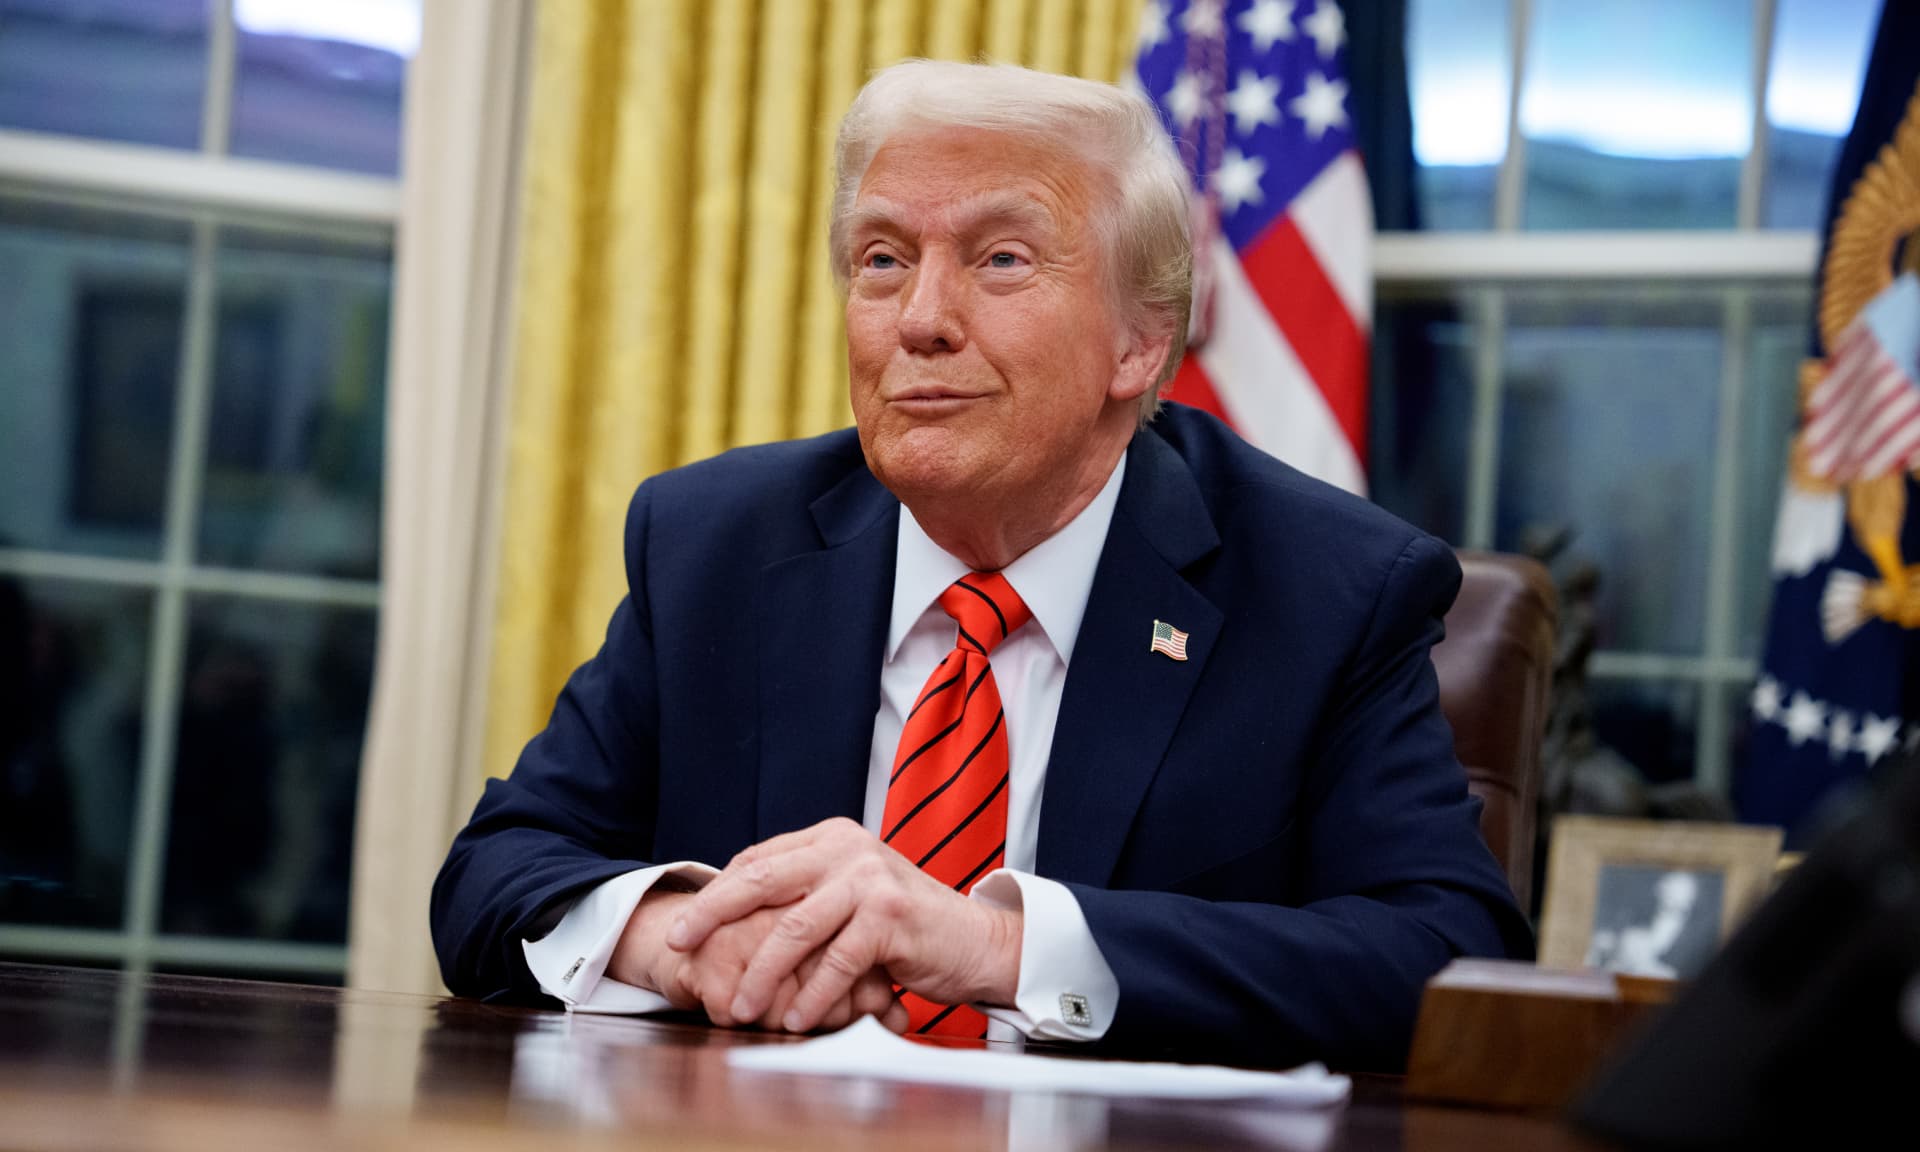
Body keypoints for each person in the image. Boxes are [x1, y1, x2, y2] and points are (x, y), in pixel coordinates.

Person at [431, 59, 1530, 1071]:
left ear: (1139, 342)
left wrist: (989, 945)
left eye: (1001, 260)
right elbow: (493, 871)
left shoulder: (1326, 590)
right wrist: (677, 939)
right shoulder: (717, 542)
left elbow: (1448, 960)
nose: (920, 320)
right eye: (882, 259)